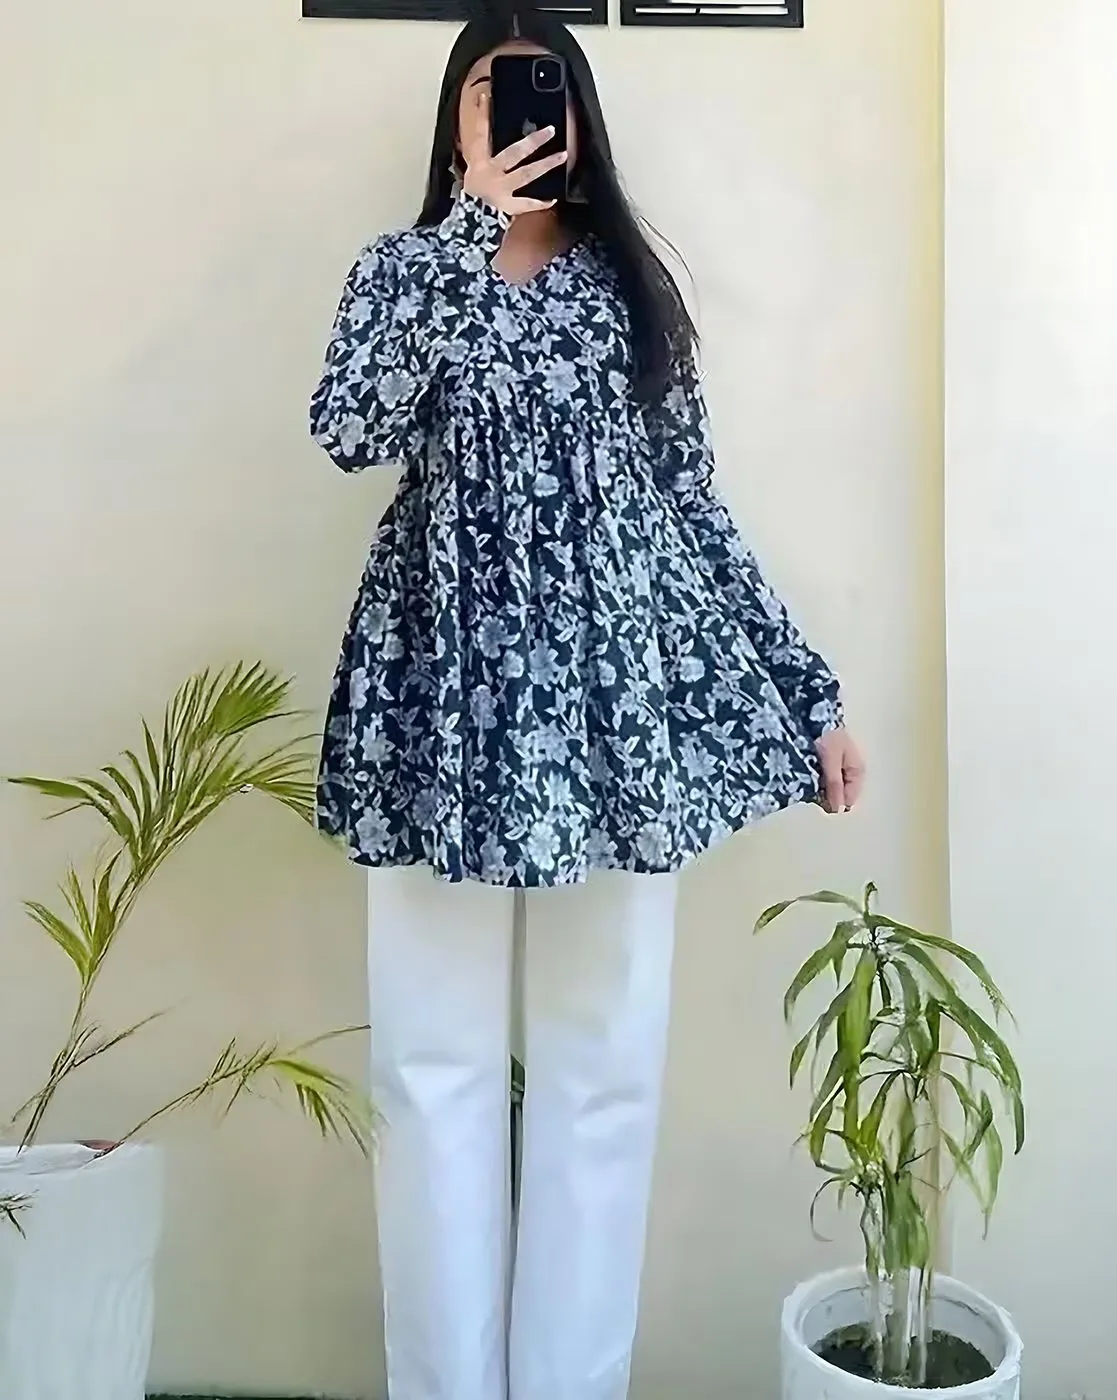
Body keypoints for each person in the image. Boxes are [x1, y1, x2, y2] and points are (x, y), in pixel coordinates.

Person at [309, 6, 865, 1398]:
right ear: (455, 118)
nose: (518, 118)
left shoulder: (629, 290)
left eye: (541, 93)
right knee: (430, 1071)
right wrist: (462, 234)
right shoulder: (402, 272)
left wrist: (807, 694)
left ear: (581, 114)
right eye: (492, 96)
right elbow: (347, 429)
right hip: (441, 707)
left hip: (617, 714)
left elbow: (692, 507)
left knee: (602, 1073)